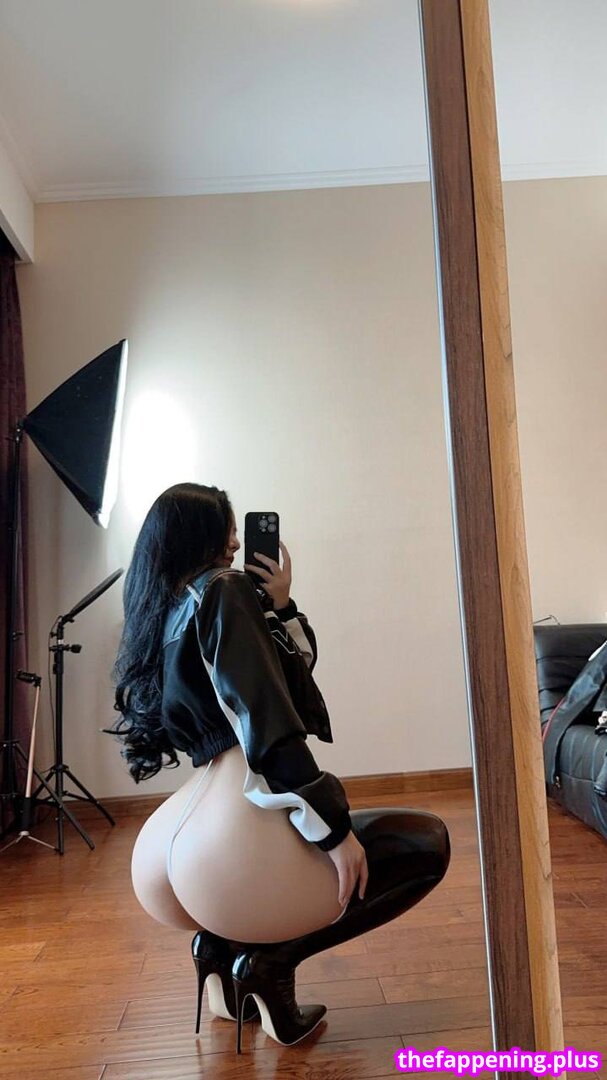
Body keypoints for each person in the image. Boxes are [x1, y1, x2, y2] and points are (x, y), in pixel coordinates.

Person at [111, 482, 450, 1053]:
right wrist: (334, 831)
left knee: (361, 847)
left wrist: (283, 605)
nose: (236, 542)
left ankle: (220, 957)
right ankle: (271, 964)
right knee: (426, 844)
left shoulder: (169, 608)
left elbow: (286, 673)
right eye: (227, 530)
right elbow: (266, 722)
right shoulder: (225, 587)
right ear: (201, 536)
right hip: (238, 814)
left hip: (179, 830)